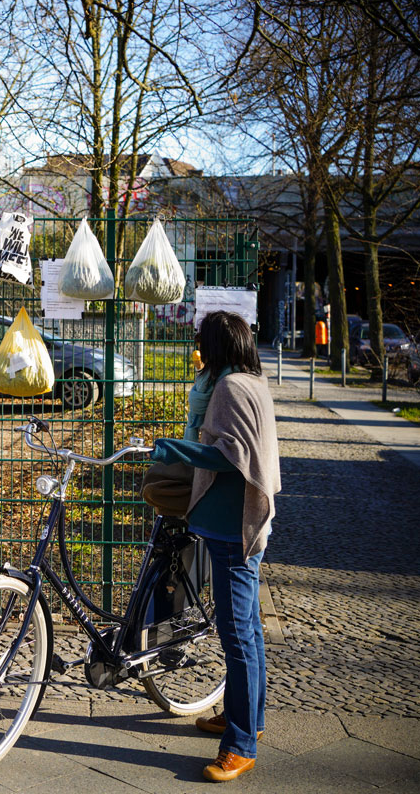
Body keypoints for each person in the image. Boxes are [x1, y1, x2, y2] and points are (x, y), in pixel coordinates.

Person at [146, 310, 281, 783]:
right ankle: (249, 720)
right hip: (240, 527)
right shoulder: (252, 381)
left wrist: (169, 448)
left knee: (238, 636)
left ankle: (241, 745)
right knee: (248, 631)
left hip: (233, 531)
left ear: (217, 344)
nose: (196, 346)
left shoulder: (229, 389)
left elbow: (230, 457)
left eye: (201, 339)